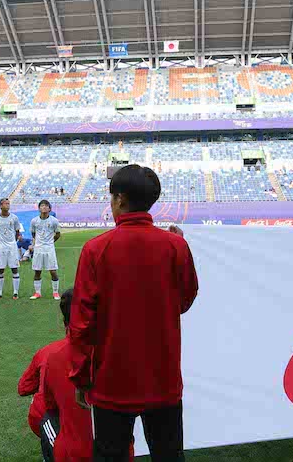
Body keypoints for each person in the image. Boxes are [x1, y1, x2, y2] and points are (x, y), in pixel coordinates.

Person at [68, 164, 199, 461]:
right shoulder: (175, 246)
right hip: (162, 379)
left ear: (121, 199)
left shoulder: (95, 249)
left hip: (111, 382)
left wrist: (79, 377)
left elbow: (81, 323)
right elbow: (185, 299)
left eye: (111, 197)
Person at [43, 289, 136, 461]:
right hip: (117, 451)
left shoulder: (54, 358)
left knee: (47, 421)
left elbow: (50, 407)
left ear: (65, 323)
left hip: (72, 453)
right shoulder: (121, 353)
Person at [17, 314, 68, 445]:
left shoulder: (48, 351)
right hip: (56, 418)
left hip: (45, 417)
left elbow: (24, 388)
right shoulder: (101, 352)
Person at [29, 199, 62, 301]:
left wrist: (50, 242)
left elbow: (58, 234)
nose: (44, 207)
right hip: (38, 249)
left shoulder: (54, 221)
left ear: (49, 208)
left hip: (49, 249)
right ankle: (37, 293)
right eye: (42, 206)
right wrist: (37, 243)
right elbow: (33, 234)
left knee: (52, 271)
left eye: (46, 206)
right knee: (37, 271)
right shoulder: (34, 221)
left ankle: (55, 292)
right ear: (39, 208)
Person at [0, 198, 21, 300]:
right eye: (5, 204)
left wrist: (13, 241)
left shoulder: (14, 218)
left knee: (14, 269)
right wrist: (1, 241)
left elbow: (17, 232)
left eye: (8, 203)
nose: (7, 205)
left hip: (12, 246)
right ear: (0, 206)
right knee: (0, 270)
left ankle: (15, 292)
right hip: (1, 247)